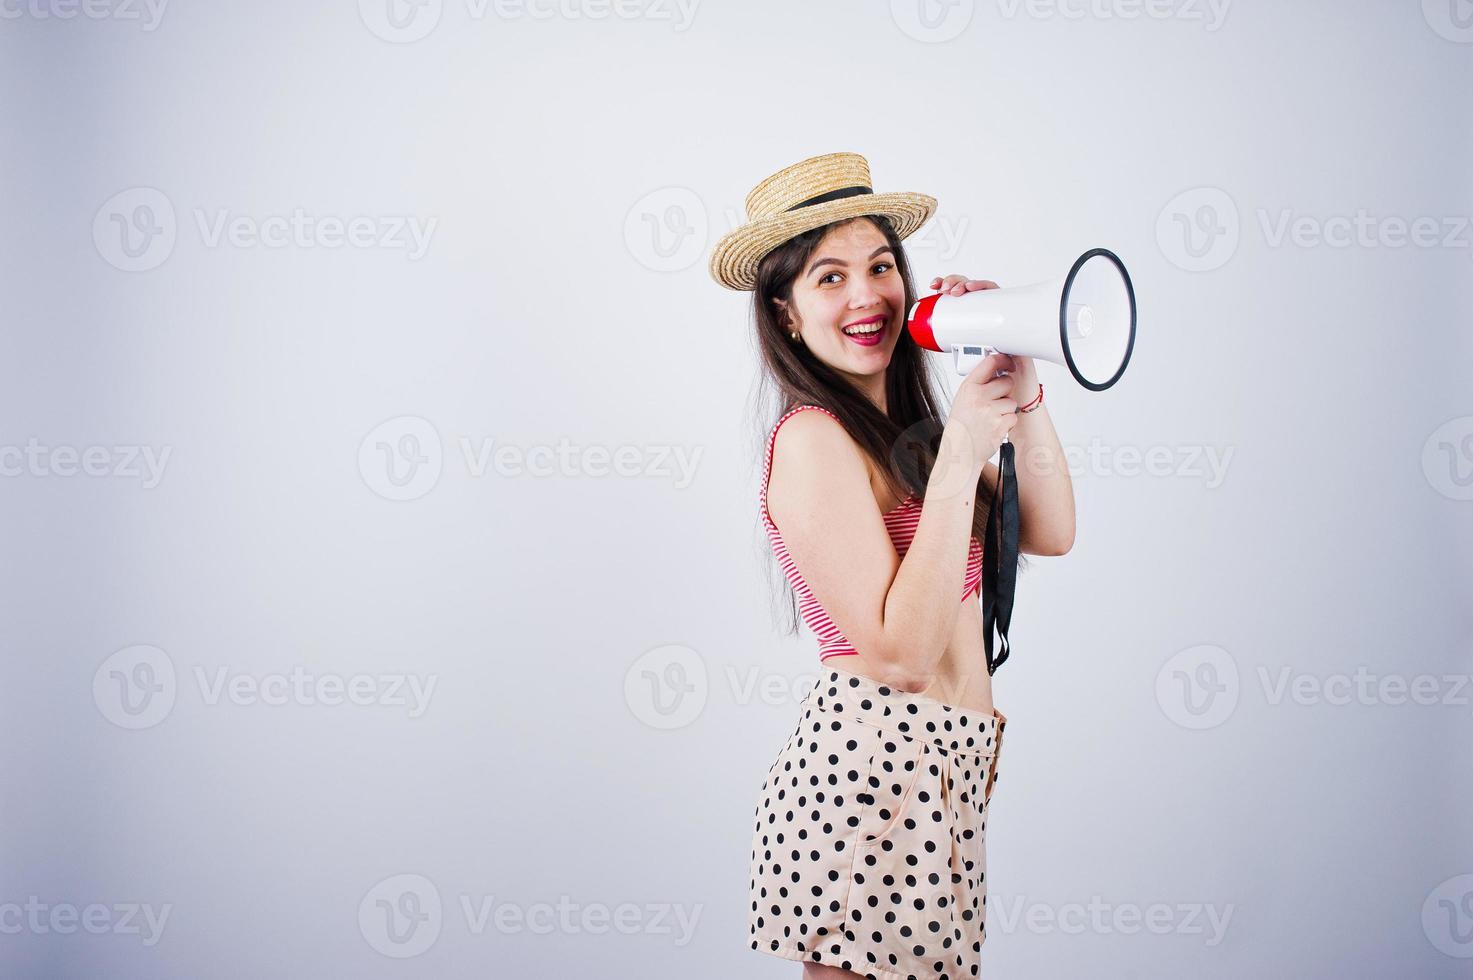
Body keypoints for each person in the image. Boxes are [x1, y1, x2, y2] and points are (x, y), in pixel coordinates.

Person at [709, 152, 1076, 979]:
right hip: (868, 782)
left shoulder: (916, 438)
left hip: (949, 778)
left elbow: (1050, 529)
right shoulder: (811, 440)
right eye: (828, 278)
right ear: (788, 315)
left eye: (879, 266)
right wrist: (963, 454)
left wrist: (1017, 389)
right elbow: (898, 655)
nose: (865, 295)